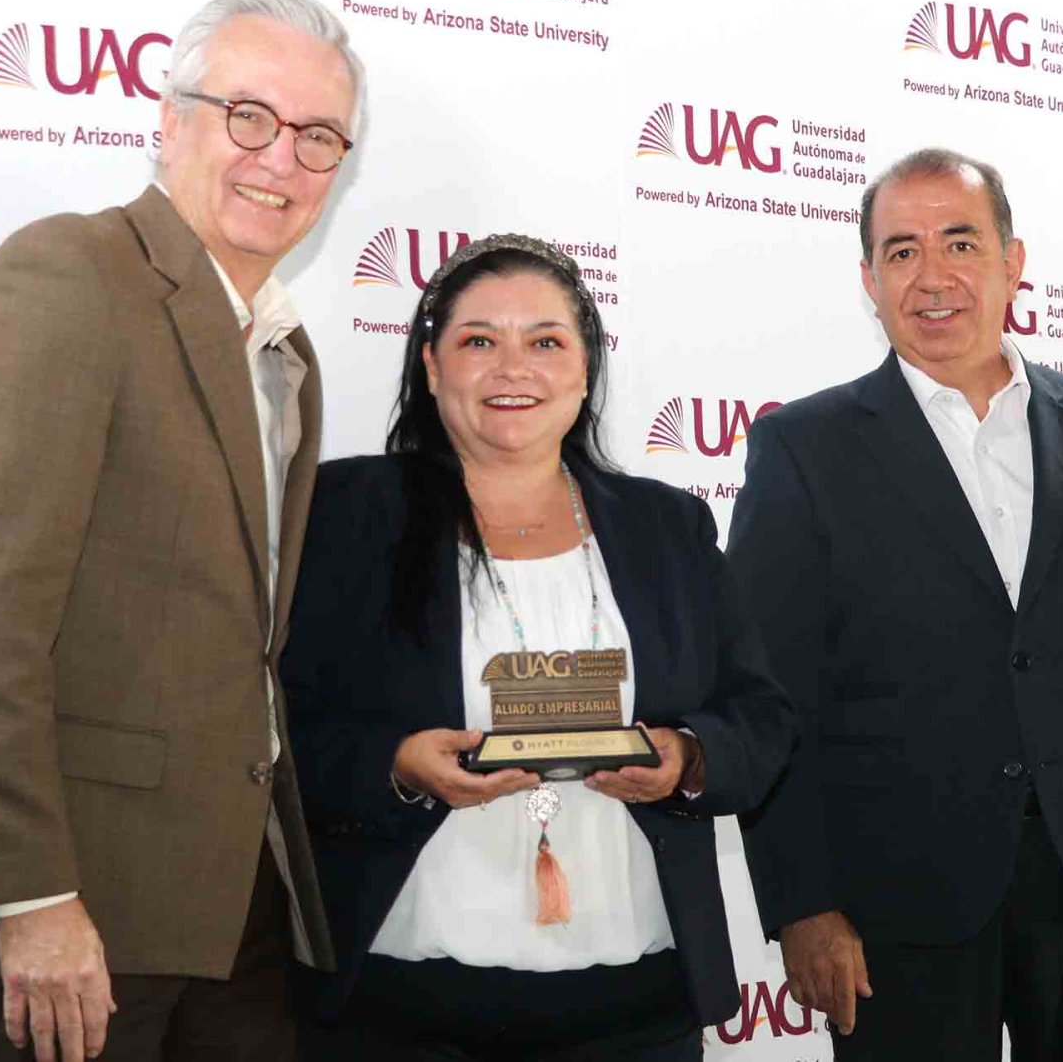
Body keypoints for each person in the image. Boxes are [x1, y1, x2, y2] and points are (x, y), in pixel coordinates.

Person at [0, 0, 363, 1062]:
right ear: (170, 118)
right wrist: (32, 895)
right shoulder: (73, 274)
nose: (281, 159)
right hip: (69, 912)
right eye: (249, 115)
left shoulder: (285, 352)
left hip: (235, 912)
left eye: (319, 136)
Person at [731, 148, 1063, 1060]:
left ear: (1013, 262)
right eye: (901, 251)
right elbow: (769, 698)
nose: (932, 276)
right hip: (899, 901)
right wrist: (801, 904)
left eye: (960, 242)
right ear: (869, 280)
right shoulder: (801, 449)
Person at [280, 233, 796, 1060]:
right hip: (400, 1004)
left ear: (586, 370)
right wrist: (397, 765)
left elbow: (760, 717)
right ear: (431, 365)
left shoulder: (666, 524)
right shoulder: (344, 512)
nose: (513, 368)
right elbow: (276, 731)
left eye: (547, 342)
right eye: (479, 341)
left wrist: (688, 757)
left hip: (636, 1005)